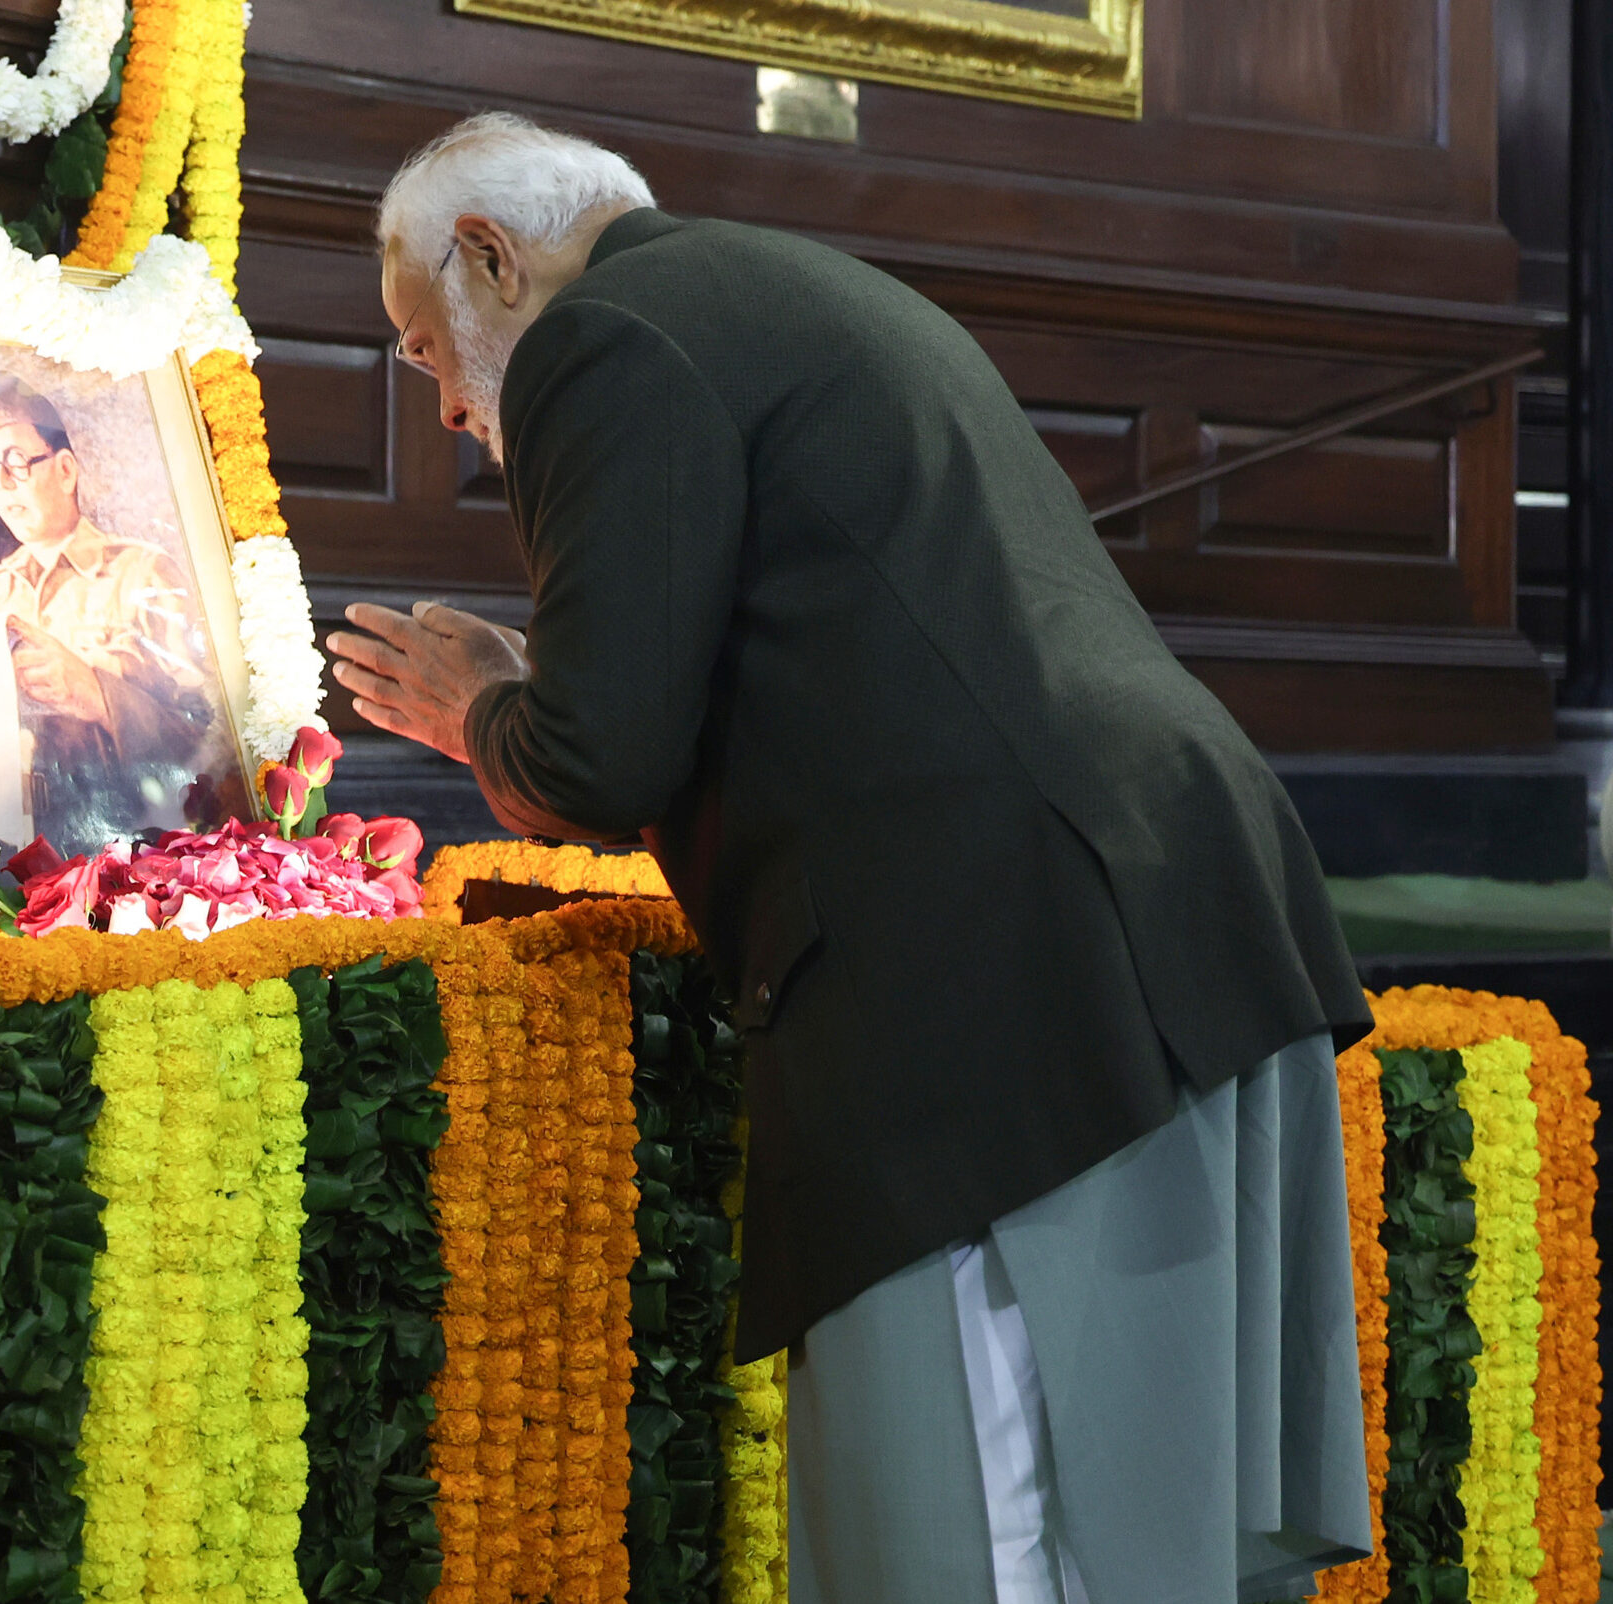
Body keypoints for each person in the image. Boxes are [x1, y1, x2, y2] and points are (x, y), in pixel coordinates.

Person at [326, 112, 1377, 1604]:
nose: (438, 408)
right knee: (1160, 1502)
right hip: (1167, 898)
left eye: (425, 347)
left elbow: (599, 759)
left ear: (489, 259)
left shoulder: (596, 337)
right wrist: (530, 693)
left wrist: (483, 716)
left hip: (995, 977)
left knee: (1003, 1520)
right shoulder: (779, 280)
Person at [0, 371, 232, 849]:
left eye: (17, 461)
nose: (1, 483)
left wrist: (96, 693)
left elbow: (213, 739)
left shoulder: (143, 575)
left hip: (139, 842)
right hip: (17, 851)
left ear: (65, 470)